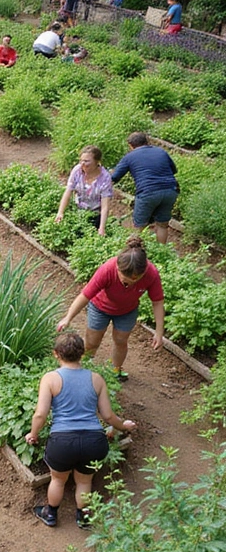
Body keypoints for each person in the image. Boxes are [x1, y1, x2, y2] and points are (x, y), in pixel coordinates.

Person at [25, 332, 137, 528]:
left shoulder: (50, 379)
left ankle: (50, 514)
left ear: (56, 354)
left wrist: (33, 434)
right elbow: (108, 416)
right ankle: (84, 517)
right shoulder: (96, 379)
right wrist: (124, 426)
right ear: (82, 353)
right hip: (94, 442)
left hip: (62, 442)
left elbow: (40, 415)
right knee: (85, 481)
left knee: (58, 480)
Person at [57, 234, 165, 381]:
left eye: (134, 280)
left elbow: (157, 302)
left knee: (121, 340)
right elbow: (85, 295)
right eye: (124, 279)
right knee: (92, 342)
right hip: (99, 307)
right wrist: (68, 318)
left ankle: (115, 370)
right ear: (118, 268)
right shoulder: (108, 269)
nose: (128, 283)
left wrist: (159, 333)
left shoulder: (151, 273)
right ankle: (84, 370)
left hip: (127, 311)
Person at [111, 131, 179, 244]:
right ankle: (162, 252)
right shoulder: (161, 151)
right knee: (162, 224)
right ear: (147, 141)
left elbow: (114, 177)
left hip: (148, 192)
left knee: (139, 226)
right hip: (170, 190)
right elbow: (174, 170)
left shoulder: (129, 157)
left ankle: (138, 254)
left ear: (130, 145)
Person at [55, 145, 113, 236]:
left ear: (97, 161)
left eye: (87, 161)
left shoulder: (105, 178)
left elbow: (105, 206)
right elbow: (68, 191)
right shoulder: (77, 170)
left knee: (89, 235)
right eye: (81, 160)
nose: (82, 164)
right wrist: (60, 212)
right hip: (78, 210)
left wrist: (102, 228)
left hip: (94, 214)